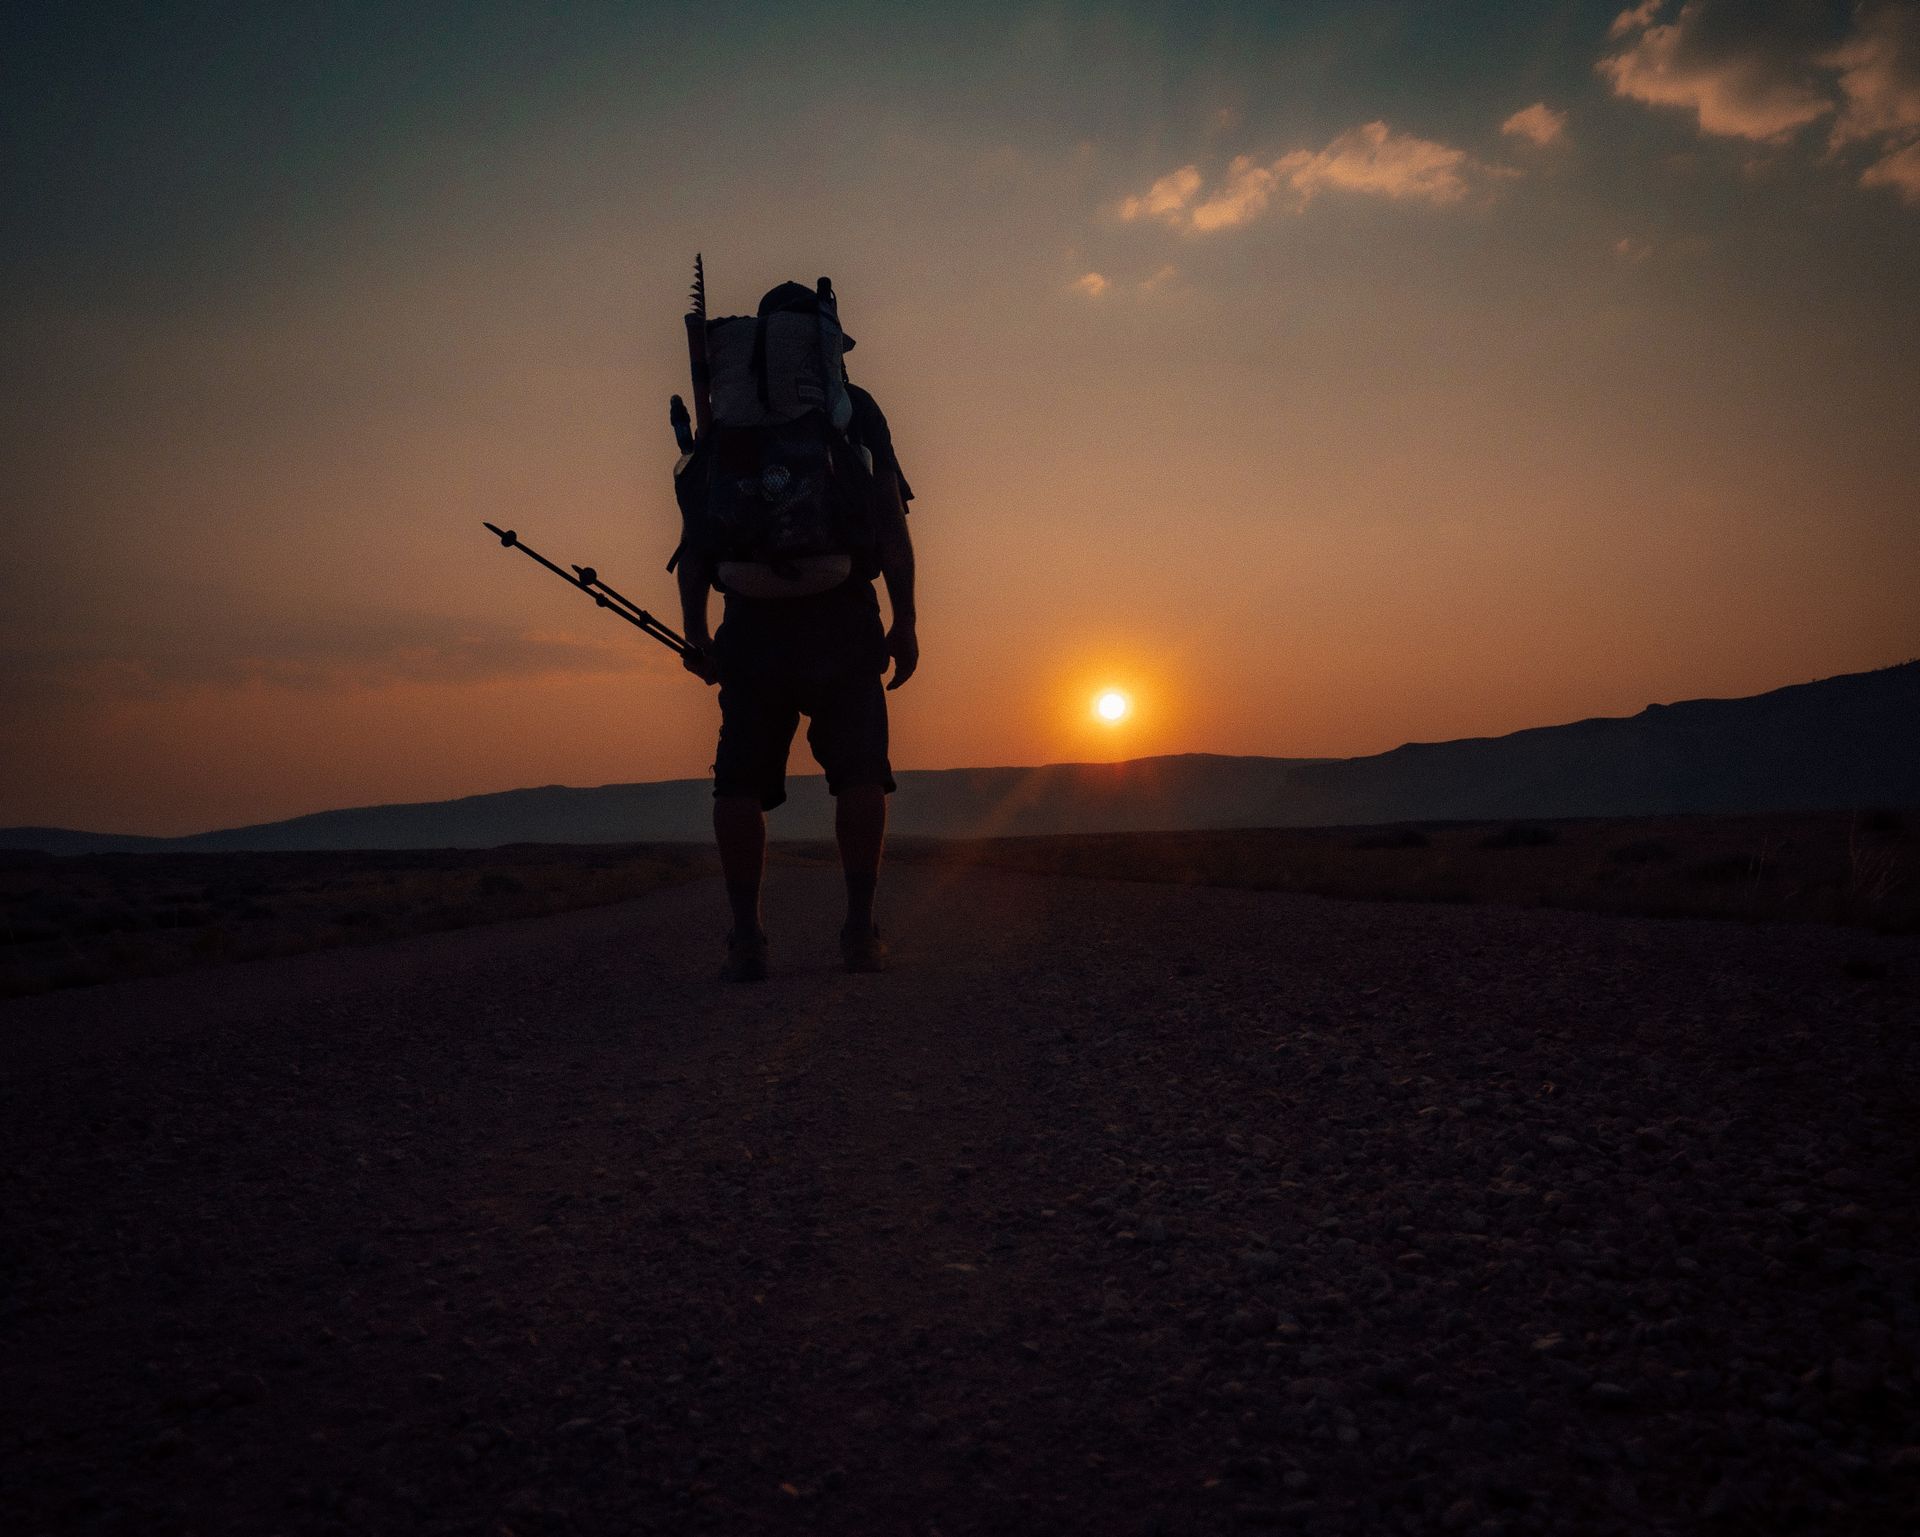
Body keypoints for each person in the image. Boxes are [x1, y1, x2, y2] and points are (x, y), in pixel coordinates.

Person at [675, 282, 917, 981]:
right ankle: (859, 930)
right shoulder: (851, 411)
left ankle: (747, 936)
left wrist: (696, 629)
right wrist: (905, 621)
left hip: (750, 620)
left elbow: (696, 540)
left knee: (738, 782)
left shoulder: (726, 421)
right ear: (826, 347)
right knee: (861, 770)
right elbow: (892, 529)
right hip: (840, 611)